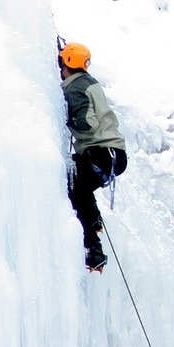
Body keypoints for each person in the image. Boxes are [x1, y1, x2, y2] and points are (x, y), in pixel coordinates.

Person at [59, 41, 127, 272]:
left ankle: (93, 247)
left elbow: (87, 125)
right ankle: (95, 221)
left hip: (101, 153)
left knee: (71, 183)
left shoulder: (75, 87)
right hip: (112, 154)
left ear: (66, 63)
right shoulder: (88, 82)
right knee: (79, 184)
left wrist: (65, 119)